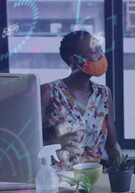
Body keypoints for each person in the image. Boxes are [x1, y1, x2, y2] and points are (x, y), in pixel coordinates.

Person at [41, 30, 121, 170]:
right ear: (74, 59)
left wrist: (121, 168)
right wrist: (54, 143)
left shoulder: (104, 94)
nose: (101, 57)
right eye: (93, 52)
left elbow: (112, 144)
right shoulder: (49, 92)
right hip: (57, 179)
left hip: (95, 179)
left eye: (100, 51)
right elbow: (27, 144)